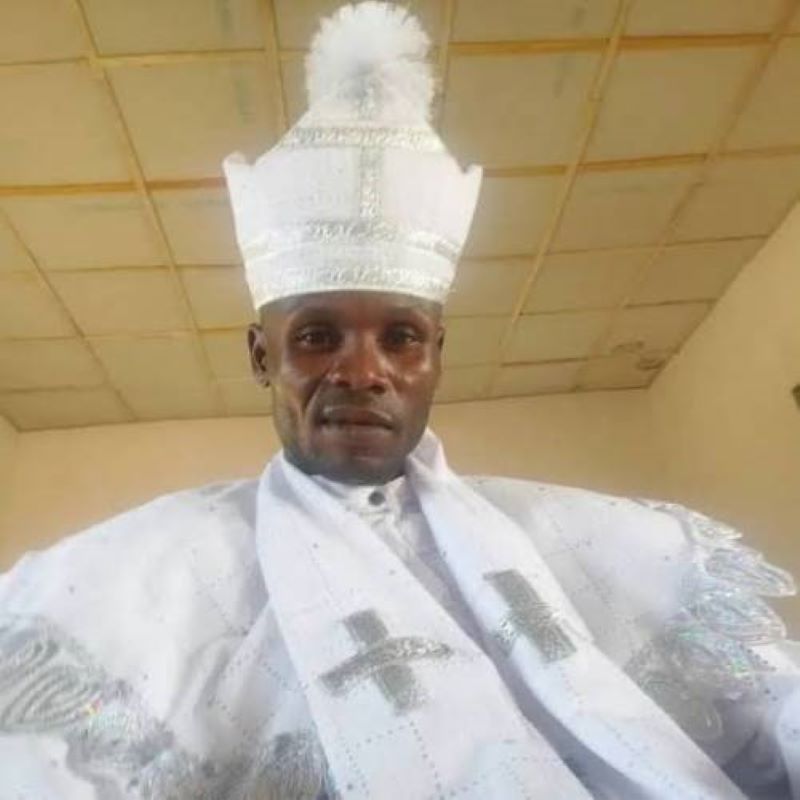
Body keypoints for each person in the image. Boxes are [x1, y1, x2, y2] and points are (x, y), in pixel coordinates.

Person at [1, 3, 798, 798]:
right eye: (317, 336)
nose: (362, 370)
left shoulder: (585, 536)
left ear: (437, 357)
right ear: (261, 356)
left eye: (401, 337)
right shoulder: (147, 571)